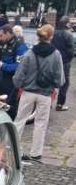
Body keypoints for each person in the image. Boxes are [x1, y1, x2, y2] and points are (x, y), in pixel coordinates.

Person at [13, 25, 65, 159]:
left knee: (20, 120)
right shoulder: (56, 54)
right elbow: (59, 79)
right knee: (41, 123)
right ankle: (36, 152)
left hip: (28, 92)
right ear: (51, 37)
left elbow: (19, 76)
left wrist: (19, 84)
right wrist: (54, 85)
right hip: (45, 93)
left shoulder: (29, 53)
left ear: (38, 37)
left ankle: (13, 149)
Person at [0, 24, 28, 119]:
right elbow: (4, 58)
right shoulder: (6, 43)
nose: (0, 38)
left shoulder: (20, 45)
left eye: (1, 35)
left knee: (11, 103)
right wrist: (0, 63)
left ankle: (12, 122)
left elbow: (20, 66)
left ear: (8, 34)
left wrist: (3, 66)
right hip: (3, 76)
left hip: (12, 78)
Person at [52, 15, 75, 111]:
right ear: (67, 23)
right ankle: (60, 104)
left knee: (50, 80)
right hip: (64, 60)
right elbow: (71, 49)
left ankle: (48, 102)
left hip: (53, 60)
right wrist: (70, 58)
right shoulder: (68, 33)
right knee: (64, 82)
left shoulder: (54, 32)